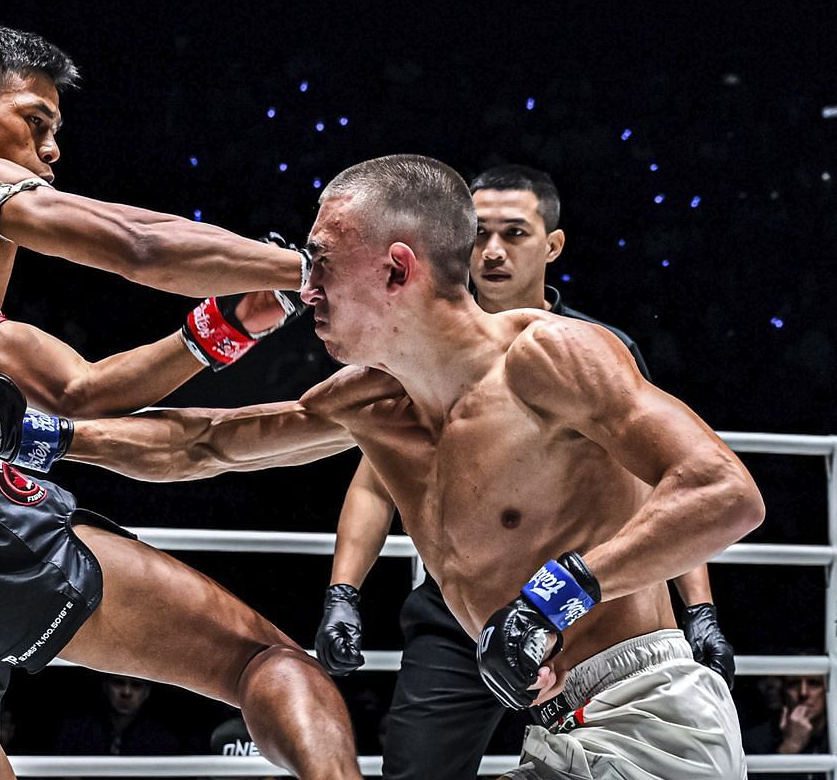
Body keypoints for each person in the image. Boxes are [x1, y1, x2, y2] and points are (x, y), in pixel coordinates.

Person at [64, 154, 765, 778]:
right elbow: (204, 445)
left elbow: (726, 492)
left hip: (648, 717)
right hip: (557, 734)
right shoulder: (369, 403)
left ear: (397, 268)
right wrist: (52, 437)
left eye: (322, 263)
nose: (305, 288)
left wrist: (553, 599)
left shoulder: (547, 358)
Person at [0, 20, 360, 780]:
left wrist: (234, 321)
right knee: (267, 661)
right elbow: (137, 245)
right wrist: (314, 271)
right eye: (35, 123)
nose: (51, 151)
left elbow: (84, 389)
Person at [312, 165, 736, 780]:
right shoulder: (401, 366)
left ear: (552, 245)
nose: (492, 251)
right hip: (460, 611)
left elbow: (676, 491)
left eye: (513, 233)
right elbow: (373, 481)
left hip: (579, 614)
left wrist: (698, 610)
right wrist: (343, 592)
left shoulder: (584, 350)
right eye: (479, 233)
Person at [52, 674, 184, 756]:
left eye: (136, 685)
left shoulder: (161, 738)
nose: (126, 692)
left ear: (147, 693)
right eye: (118, 682)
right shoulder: (76, 730)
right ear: (105, 686)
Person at [743, 673, 828, 780]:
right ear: (783, 690)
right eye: (794, 684)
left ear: (827, 690)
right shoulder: (757, 739)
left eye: (814, 683)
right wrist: (790, 747)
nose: (803, 693)